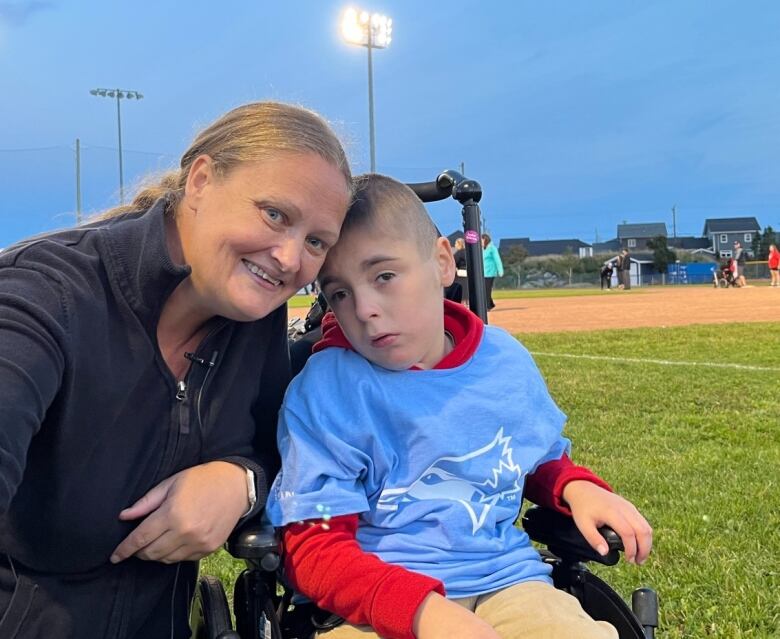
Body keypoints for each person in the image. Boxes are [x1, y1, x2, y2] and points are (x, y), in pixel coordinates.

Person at [0, 101, 353, 638]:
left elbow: (279, 446)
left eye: (315, 242)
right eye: (275, 214)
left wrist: (240, 482)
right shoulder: (45, 297)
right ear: (202, 180)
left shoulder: (253, 314)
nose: (288, 258)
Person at [267, 174, 652, 639]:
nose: (364, 308)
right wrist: (423, 612)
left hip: (507, 582)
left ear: (443, 263)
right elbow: (314, 548)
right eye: (339, 293)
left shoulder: (503, 360)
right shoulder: (327, 390)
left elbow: (529, 457)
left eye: (384, 276)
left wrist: (575, 488)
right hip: (371, 603)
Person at [482, 233, 503, 310]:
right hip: (483, 273)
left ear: (485, 240)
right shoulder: (482, 249)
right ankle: (490, 304)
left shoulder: (492, 248)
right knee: (484, 289)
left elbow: (497, 260)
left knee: (487, 289)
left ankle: (487, 306)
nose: (480, 242)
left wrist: (500, 271)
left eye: (482, 240)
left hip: (490, 272)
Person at [452, 237, 469, 305]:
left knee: (461, 292)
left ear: (459, 244)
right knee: (467, 291)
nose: (455, 245)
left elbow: (453, 262)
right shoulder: (467, 252)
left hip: (460, 275)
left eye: (456, 243)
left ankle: (462, 306)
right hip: (468, 274)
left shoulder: (458, 253)